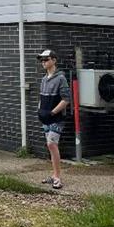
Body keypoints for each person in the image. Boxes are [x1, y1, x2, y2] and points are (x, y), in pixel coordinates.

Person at [37, 49, 71, 190]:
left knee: (52, 144)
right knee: (50, 146)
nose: (44, 62)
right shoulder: (44, 79)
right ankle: (54, 174)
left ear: (54, 60)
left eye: (46, 59)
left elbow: (66, 99)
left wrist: (52, 112)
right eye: (42, 60)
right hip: (45, 116)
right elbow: (41, 98)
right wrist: (40, 111)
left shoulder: (61, 78)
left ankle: (57, 177)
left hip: (56, 117)